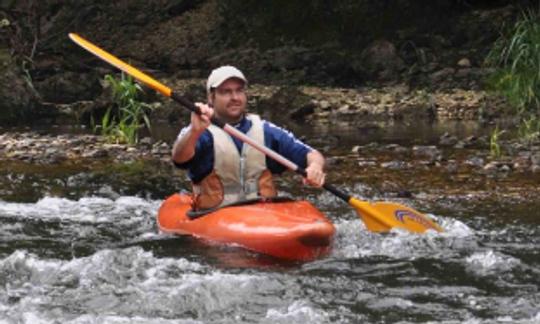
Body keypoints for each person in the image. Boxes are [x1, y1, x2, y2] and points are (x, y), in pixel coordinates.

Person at [172, 65, 326, 210]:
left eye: (239, 91)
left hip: (264, 213)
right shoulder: (200, 130)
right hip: (215, 213)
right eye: (226, 92)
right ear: (211, 98)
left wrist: (315, 167)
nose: (235, 97)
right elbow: (179, 159)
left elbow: (311, 154)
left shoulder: (265, 130)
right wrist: (194, 132)